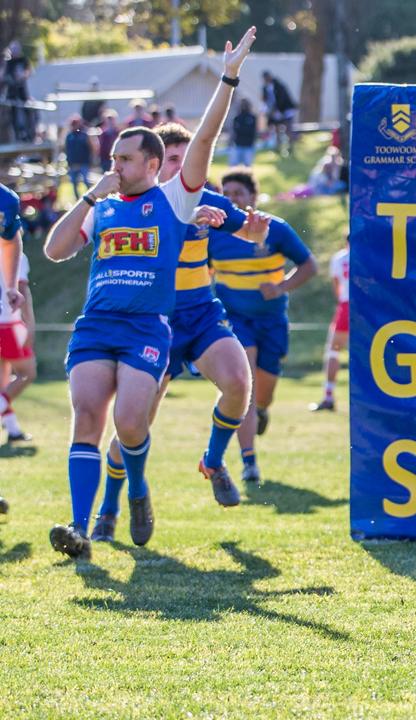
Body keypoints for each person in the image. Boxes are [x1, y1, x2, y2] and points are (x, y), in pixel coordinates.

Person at [42, 27, 258, 560]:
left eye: (123, 159)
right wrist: (91, 196)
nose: (113, 165)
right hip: (97, 326)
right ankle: (80, 527)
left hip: (147, 328)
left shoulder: (174, 199)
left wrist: (228, 76)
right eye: (112, 158)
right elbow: (54, 249)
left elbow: (204, 140)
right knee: (88, 416)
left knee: (131, 422)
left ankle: (137, 489)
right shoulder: (104, 203)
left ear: (153, 164)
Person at [92, 120, 263, 545]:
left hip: (201, 314)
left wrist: (255, 231)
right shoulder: (136, 204)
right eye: (173, 159)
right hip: (155, 323)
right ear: (153, 165)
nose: (184, 166)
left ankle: (213, 460)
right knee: (134, 425)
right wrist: (190, 225)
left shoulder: (204, 198)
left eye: (187, 159)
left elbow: (246, 227)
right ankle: (110, 507)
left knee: (240, 383)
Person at [211, 169, 316, 484]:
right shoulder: (212, 233)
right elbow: (196, 271)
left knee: (264, 394)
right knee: (248, 384)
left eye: (238, 194)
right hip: (235, 319)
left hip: (271, 321)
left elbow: (309, 265)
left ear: (252, 198)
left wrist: (281, 287)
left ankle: (262, 412)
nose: (231, 199)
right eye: (225, 193)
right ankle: (249, 462)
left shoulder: (276, 229)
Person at [1, 182, 33, 443]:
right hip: (7, 322)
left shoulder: (6, 202)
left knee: (4, 380)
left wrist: (11, 288)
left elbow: (12, 240)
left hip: (5, 314)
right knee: (27, 372)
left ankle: (12, 429)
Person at [311, 240, 349, 412]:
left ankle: (328, 397)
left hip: (346, 306)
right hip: (368, 308)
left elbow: (337, 286)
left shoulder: (339, 258)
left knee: (333, 350)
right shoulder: (369, 256)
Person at [261, 70, 297, 156]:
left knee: (288, 129)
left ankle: (290, 148)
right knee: (276, 130)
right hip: (275, 111)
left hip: (285, 110)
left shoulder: (279, 85)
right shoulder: (265, 88)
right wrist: (269, 111)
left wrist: (277, 110)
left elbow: (282, 99)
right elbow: (265, 100)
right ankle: (278, 148)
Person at [64, 115, 94, 198]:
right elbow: (66, 149)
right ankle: (77, 200)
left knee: (86, 181)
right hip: (73, 163)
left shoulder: (84, 135)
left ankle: (90, 198)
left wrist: (91, 160)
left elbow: (91, 148)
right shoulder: (69, 136)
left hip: (84, 162)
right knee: (74, 183)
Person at [229, 98, 257, 167]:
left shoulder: (252, 118)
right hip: (238, 144)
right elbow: (234, 131)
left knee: (247, 165)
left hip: (248, 145)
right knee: (233, 165)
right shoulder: (237, 118)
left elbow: (252, 131)